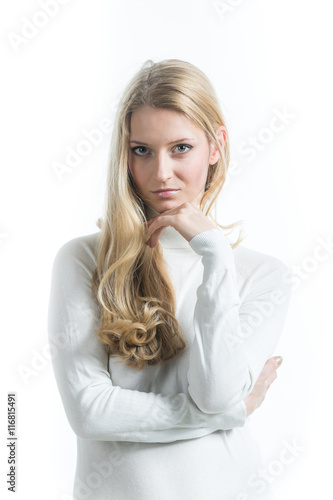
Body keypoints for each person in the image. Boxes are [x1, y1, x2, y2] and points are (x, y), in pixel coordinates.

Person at [47, 58, 292, 500]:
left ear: (215, 145)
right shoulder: (83, 261)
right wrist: (221, 416)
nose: (161, 173)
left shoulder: (263, 275)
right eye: (142, 150)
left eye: (181, 148)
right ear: (125, 155)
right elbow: (88, 411)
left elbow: (216, 395)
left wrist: (215, 254)